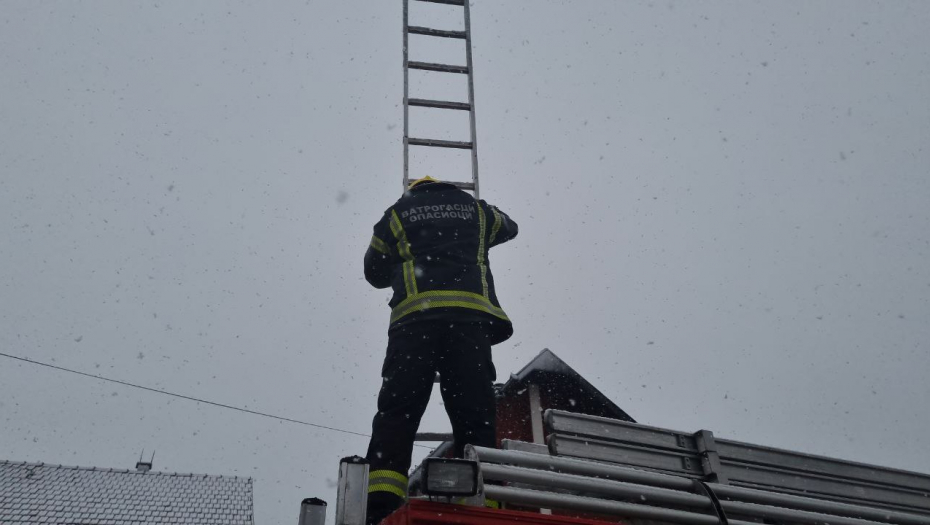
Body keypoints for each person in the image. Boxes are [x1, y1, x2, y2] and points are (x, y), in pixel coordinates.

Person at [362, 176, 518, 524]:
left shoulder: (397, 214)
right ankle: (486, 502)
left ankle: (381, 504)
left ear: (414, 188)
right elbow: (510, 227)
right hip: (468, 327)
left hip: (414, 325)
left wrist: (407, 261)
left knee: (398, 413)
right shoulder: (479, 212)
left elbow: (373, 272)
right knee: (474, 414)